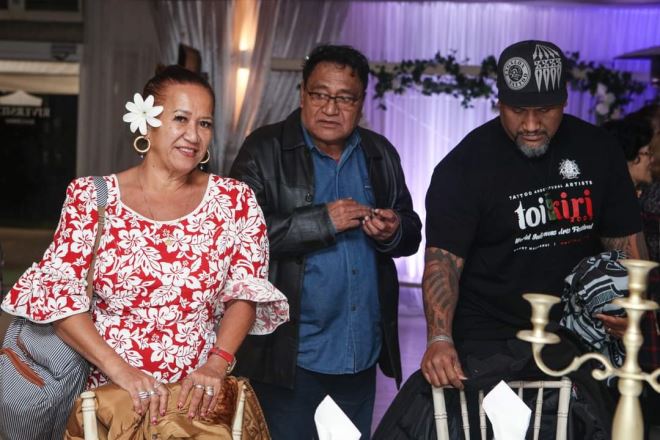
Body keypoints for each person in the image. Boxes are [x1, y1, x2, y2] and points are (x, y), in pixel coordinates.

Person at [1, 65, 288, 428]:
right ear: (147, 123)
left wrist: (217, 363)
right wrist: (122, 372)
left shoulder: (235, 201)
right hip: (107, 401)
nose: (193, 135)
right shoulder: (92, 197)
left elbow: (245, 292)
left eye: (204, 123)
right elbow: (59, 299)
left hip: (194, 405)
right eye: (180, 118)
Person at [420, 39, 645, 418]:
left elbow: (625, 243)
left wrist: (632, 308)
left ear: (565, 100)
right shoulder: (464, 165)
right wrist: (439, 338)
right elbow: (443, 264)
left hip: (575, 334)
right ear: (499, 102)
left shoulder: (598, 150)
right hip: (489, 337)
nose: (530, 125)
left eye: (544, 110)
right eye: (517, 110)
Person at [229, 44, 422, 439]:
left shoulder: (379, 153)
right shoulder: (264, 149)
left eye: (345, 98)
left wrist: (393, 230)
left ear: (361, 102)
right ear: (302, 94)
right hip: (288, 358)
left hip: (359, 355)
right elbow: (236, 237)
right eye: (320, 94)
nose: (331, 108)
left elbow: (411, 230)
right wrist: (321, 222)